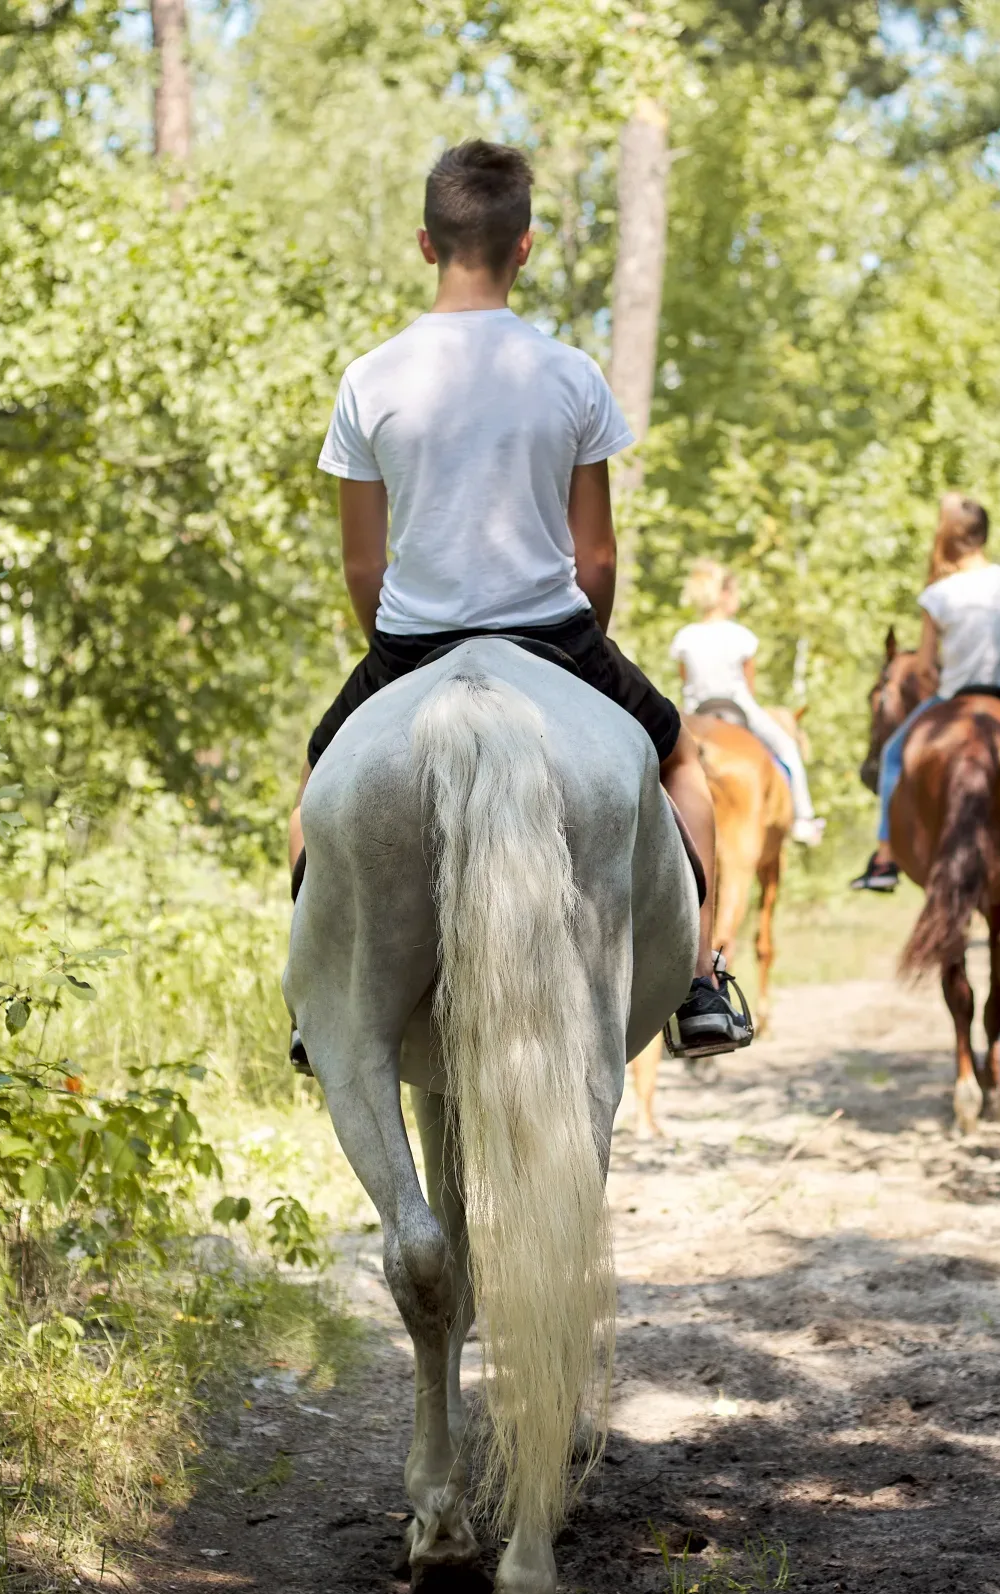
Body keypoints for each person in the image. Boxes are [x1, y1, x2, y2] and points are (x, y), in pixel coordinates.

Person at [288, 139, 751, 1060]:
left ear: (427, 244)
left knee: (313, 791)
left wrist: (392, 657)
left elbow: (360, 568)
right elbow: (599, 554)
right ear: (525, 247)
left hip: (410, 646)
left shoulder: (369, 378)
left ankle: (320, 1010)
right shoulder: (571, 373)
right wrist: (579, 660)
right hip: (557, 636)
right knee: (685, 764)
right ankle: (699, 982)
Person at [850, 494, 1000, 902]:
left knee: (892, 757)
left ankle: (885, 857)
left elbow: (923, 669)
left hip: (954, 698)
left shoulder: (938, 595)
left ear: (953, 538)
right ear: (983, 536)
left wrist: (946, 679)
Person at [669, 561, 824, 845]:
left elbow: (685, 680)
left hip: (696, 713)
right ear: (725, 595)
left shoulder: (685, 637)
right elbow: (748, 686)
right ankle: (804, 818)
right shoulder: (741, 636)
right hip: (737, 708)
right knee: (788, 749)